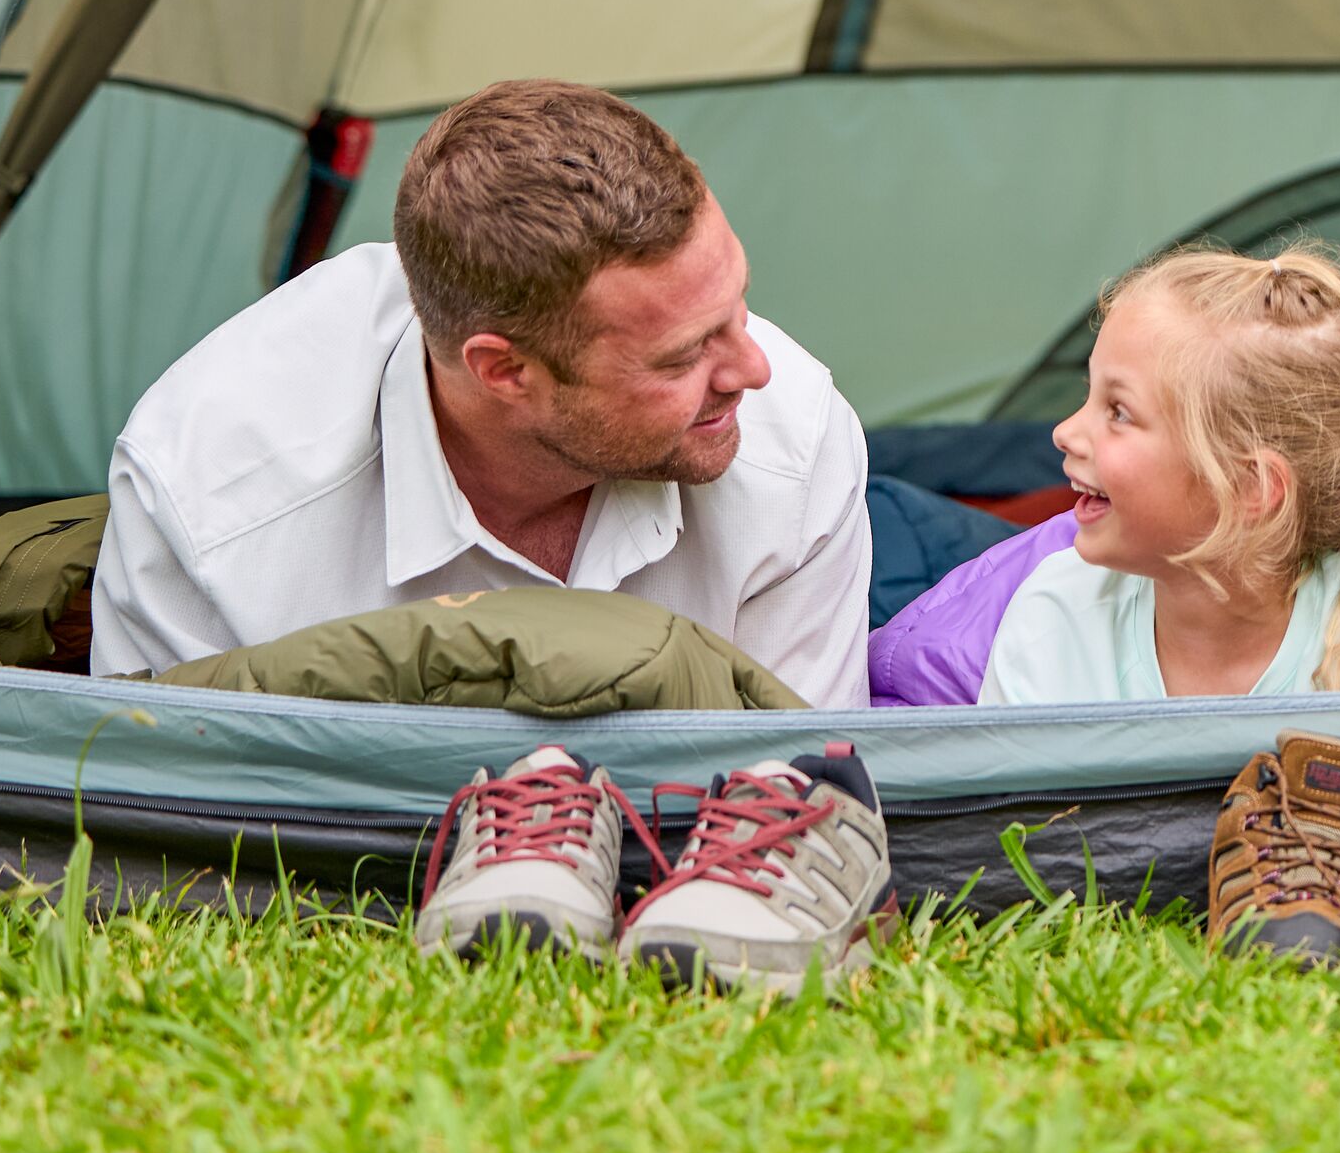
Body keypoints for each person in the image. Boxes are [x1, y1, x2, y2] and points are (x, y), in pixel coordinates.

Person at [88, 78, 871, 705]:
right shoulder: (207, 498)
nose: (752, 369)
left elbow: (803, 803)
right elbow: (156, 833)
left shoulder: (793, 438)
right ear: (505, 370)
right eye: (680, 357)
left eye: (736, 306)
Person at [974, 246, 1340, 702]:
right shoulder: (1052, 618)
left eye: (1119, 412)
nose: (1065, 433)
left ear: (1251, 489)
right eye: (1089, 394)